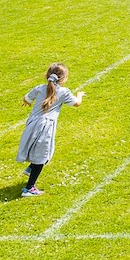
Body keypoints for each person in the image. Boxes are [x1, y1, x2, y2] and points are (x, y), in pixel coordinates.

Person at [16, 63, 85, 197]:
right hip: (45, 127)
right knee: (42, 156)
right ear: (63, 79)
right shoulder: (64, 92)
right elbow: (76, 103)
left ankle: (30, 167)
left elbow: (27, 98)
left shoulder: (39, 88)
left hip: (32, 124)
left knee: (34, 147)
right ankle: (29, 188)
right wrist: (79, 95)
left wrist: (27, 102)